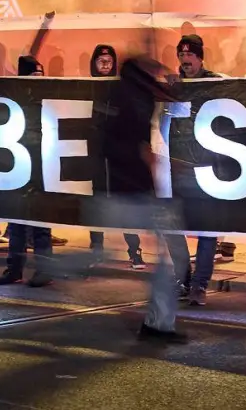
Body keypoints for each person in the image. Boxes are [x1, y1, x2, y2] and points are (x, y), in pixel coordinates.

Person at [102, 56, 187, 343]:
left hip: (132, 189)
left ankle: (159, 324)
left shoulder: (132, 95)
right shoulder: (130, 99)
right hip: (129, 190)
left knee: (167, 255)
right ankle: (158, 324)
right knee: (169, 255)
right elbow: (113, 144)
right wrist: (141, 156)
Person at [167, 33, 233, 305]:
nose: (185, 60)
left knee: (207, 228)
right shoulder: (172, 85)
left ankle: (199, 285)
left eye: (190, 55)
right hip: (178, 167)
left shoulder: (215, 82)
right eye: (181, 55)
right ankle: (183, 279)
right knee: (172, 227)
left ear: (200, 58)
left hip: (207, 167)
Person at [0, 53, 57, 287]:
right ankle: (14, 269)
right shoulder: (14, 98)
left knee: (40, 221)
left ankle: (44, 270)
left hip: (41, 165)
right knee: (16, 222)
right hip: (18, 165)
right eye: (34, 74)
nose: (39, 78)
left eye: (41, 74)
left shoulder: (48, 97)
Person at [87, 44, 145, 270]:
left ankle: (134, 250)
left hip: (120, 157)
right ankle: (96, 249)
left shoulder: (121, 90)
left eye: (109, 61)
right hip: (97, 155)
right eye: (101, 60)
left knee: (124, 203)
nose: (105, 64)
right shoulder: (86, 88)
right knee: (97, 202)